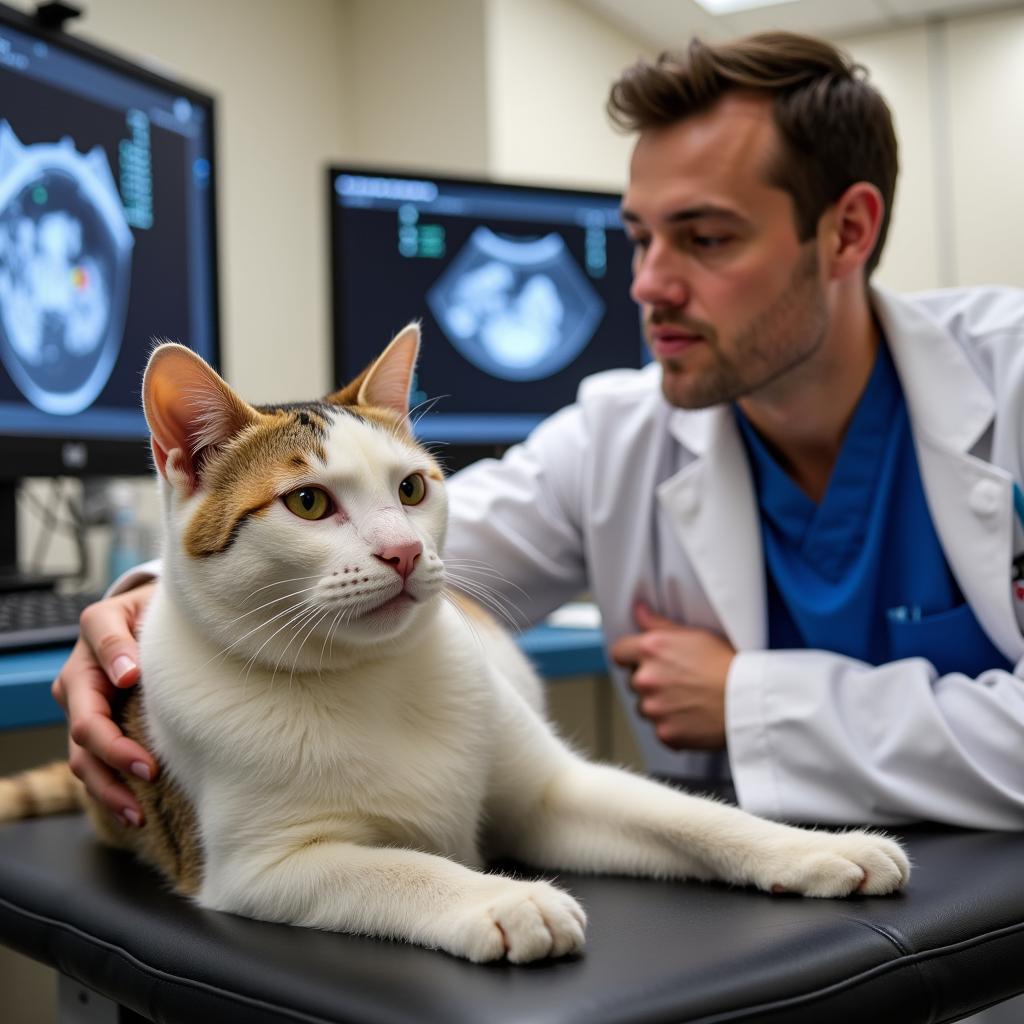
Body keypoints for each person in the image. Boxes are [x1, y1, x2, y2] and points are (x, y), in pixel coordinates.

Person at [54, 32, 1024, 832]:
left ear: (846, 232)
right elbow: (389, 544)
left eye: (705, 237)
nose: (645, 283)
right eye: (640, 236)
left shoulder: (1007, 378)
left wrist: (750, 699)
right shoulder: (617, 437)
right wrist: (141, 613)